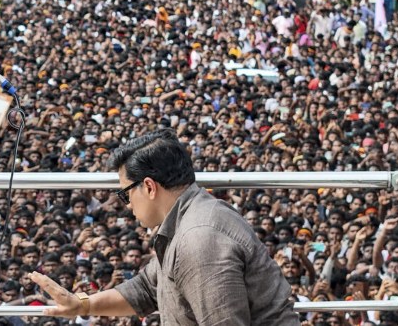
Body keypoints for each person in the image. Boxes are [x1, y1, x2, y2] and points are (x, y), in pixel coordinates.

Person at [29, 129, 299, 324]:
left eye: (125, 194)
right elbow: (147, 288)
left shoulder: (199, 240)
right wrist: (82, 305)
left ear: (149, 187)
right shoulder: (189, 218)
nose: (127, 205)